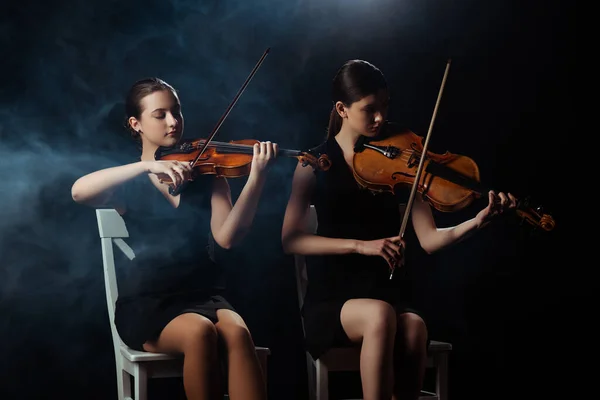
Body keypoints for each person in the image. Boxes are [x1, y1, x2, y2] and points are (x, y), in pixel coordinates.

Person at [281, 60, 516, 400]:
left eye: (385, 106)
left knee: (414, 327)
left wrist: (476, 222)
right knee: (379, 314)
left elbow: (431, 240)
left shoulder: (401, 160)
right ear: (341, 109)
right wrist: (361, 246)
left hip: (385, 294)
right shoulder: (314, 164)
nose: (380, 118)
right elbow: (291, 239)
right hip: (334, 300)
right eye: (369, 110)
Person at [71, 77, 276, 400]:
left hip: (203, 291)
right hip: (149, 300)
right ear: (135, 123)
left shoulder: (207, 173)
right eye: (160, 114)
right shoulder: (131, 182)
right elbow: (79, 191)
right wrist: (145, 168)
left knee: (238, 332)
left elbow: (227, 238)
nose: (173, 122)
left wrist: (256, 179)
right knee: (199, 332)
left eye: (177, 112)